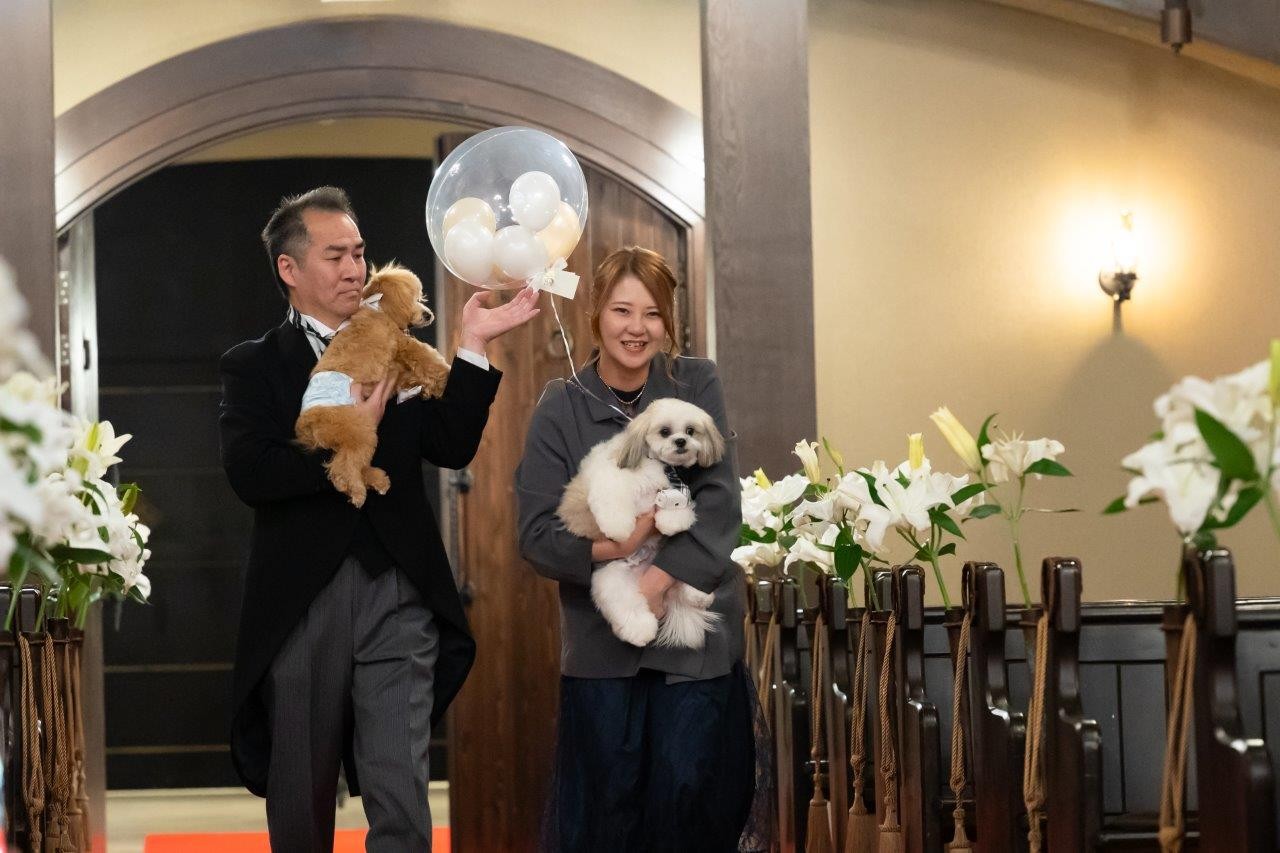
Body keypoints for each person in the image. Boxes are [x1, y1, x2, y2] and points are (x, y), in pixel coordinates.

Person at [219, 186, 538, 852]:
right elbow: (252, 473)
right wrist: (349, 437)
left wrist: (474, 344)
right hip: (302, 601)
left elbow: (450, 443)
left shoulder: (395, 346)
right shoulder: (255, 365)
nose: (354, 270)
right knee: (300, 796)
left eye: (360, 253)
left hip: (399, 589)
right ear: (289, 268)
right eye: (335, 256)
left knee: (402, 790)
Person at [516, 245, 755, 852]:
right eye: (622, 310)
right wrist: (624, 542)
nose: (637, 328)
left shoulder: (696, 383)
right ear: (597, 313)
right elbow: (538, 537)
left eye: (652, 314)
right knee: (605, 818)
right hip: (602, 652)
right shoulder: (561, 405)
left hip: (693, 648)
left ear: (668, 322)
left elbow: (720, 502)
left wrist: (653, 582)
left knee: (691, 808)